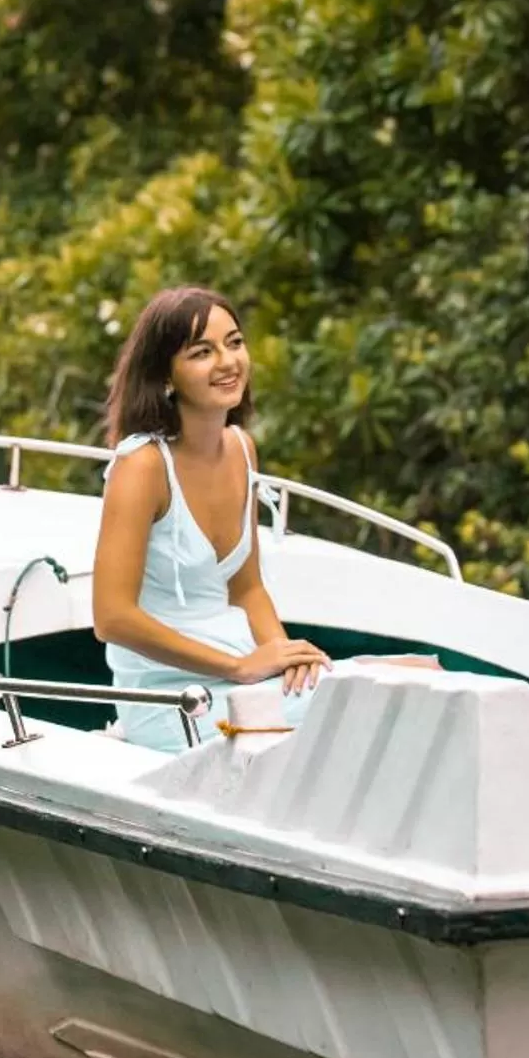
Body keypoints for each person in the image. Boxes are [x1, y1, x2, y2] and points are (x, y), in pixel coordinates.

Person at [92, 287, 332, 748]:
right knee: (370, 700)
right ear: (166, 374)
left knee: (415, 679)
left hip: (241, 676)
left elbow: (247, 587)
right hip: (172, 700)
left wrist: (284, 658)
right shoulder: (142, 466)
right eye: (203, 352)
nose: (227, 362)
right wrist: (239, 668)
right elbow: (112, 618)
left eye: (235, 343)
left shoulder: (242, 448)